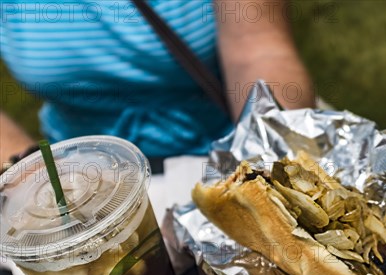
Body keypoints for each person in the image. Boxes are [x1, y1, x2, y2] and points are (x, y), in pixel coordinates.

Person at [0, 0, 315, 166]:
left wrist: (274, 166)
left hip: (220, 154)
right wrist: (35, 180)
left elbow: (259, 52)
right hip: (79, 171)